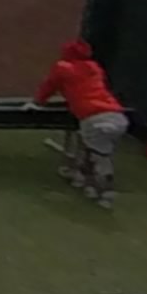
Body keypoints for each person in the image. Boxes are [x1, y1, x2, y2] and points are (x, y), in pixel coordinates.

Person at [30, 41, 127, 207]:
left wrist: (37, 102)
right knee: (93, 150)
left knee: (99, 157)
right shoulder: (94, 67)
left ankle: (104, 193)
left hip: (93, 118)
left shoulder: (63, 68)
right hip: (118, 117)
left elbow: (49, 86)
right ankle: (83, 180)